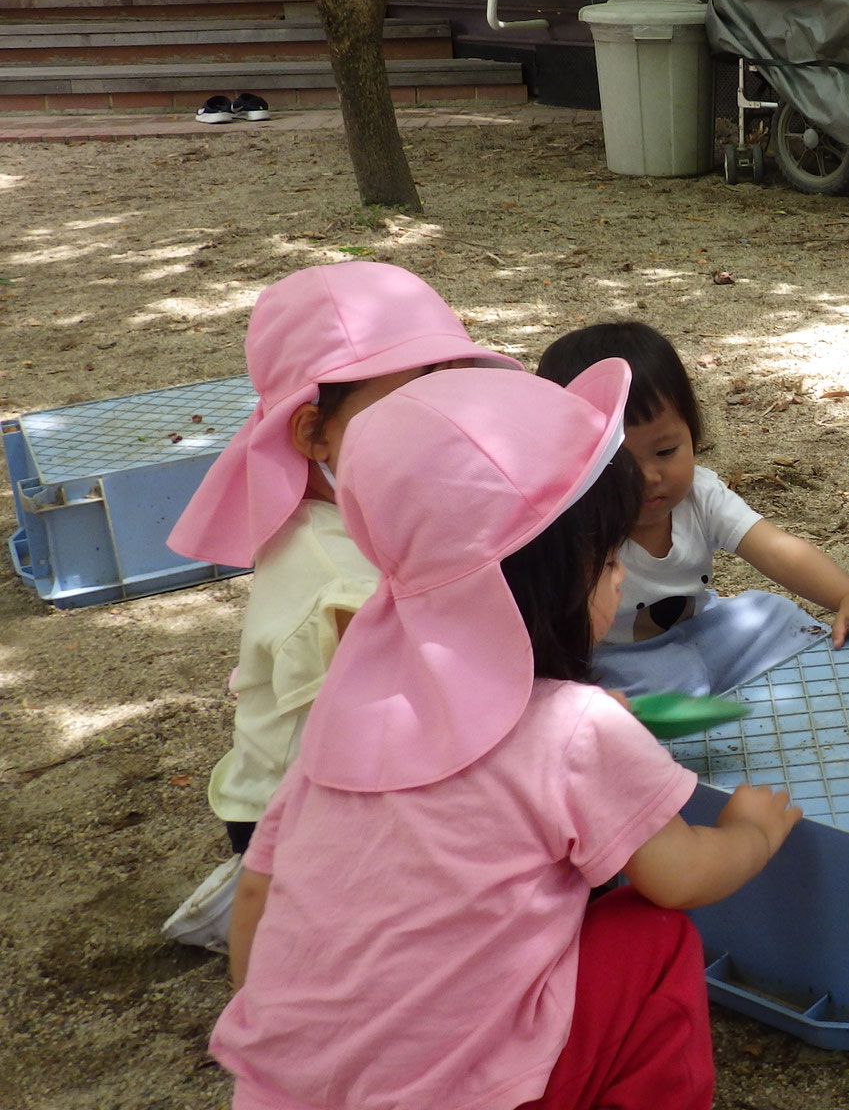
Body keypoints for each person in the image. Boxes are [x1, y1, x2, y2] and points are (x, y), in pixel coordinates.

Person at [210, 362, 802, 1110]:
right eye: (609, 560)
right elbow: (680, 875)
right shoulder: (572, 728)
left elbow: (259, 891)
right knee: (652, 938)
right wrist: (751, 832)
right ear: (554, 587)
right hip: (468, 1093)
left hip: (283, 1089)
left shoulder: (343, 718)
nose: (621, 581)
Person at [158, 262, 522, 953]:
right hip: (300, 821)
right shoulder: (331, 573)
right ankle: (271, 908)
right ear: (312, 436)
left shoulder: (373, 498)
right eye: (401, 413)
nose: (437, 431)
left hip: (346, 776)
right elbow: (420, 705)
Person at [536, 322, 849, 697]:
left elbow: (776, 549)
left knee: (774, 615)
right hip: (619, 659)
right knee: (629, 693)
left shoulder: (699, 494)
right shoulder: (569, 522)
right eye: (616, 463)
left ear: (692, 435)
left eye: (665, 452)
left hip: (708, 630)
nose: (647, 476)